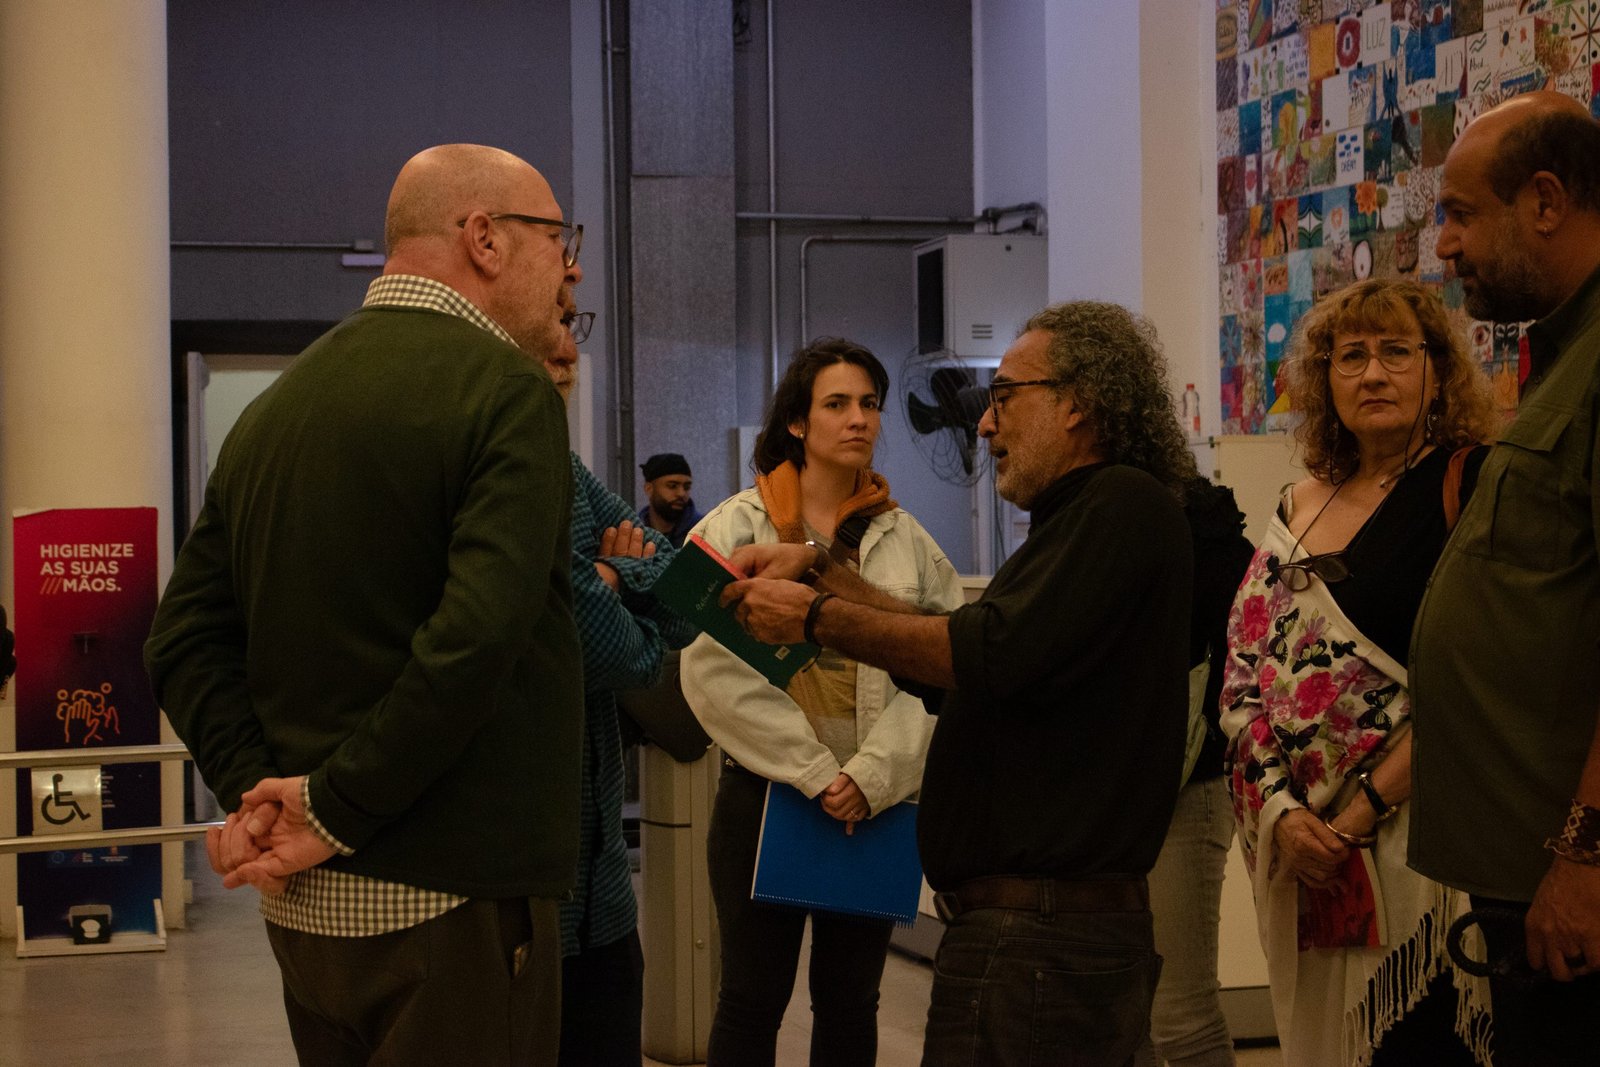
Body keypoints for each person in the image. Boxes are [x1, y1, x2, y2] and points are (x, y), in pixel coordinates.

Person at [144, 144, 584, 1067]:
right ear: (486, 239)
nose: (570, 265)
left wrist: (261, 792)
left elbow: (180, 638)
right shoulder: (506, 391)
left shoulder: (278, 406)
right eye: (557, 237)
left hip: (306, 918)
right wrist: (332, 807)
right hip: (450, 899)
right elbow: (475, 639)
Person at [726, 302, 1196, 1066]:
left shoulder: (1119, 506)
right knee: (755, 997)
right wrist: (819, 569)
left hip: (1040, 939)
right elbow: (978, 653)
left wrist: (817, 616)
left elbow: (978, 650)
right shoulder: (1079, 518)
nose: (983, 424)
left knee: (847, 1001)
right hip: (1020, 931)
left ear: (1077, 403)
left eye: (1004, 396)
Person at [1219, 278, 1499, 1067]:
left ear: (1435, 372)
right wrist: (1281, 810)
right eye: (1351, 356)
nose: (1373, 374)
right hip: (1306, 852)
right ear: (1324, 379)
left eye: (1396, 352)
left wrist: (1360, 810)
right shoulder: (1294, 506)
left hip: (1419, 851)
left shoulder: (1470, 487)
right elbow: (1242, 676)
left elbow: (1477, 684)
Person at [678, 337, 963, 1066]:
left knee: (850, 1002)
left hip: (874, 803)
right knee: (749, 999)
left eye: (869, 403)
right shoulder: (734, 528)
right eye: (837, 403)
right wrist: (812, 771)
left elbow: (944, 666)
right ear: (798, 423)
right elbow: (712, 670)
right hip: (769, 794)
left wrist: (872, 775)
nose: (859, 418)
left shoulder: (909, 543)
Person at [1411, 90, 1600, 1065]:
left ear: (1542, 200)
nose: (1441, 245)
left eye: (1456, 213)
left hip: (1574, 883)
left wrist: (1584, 853)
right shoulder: (1557, 354)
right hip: (1523, 871)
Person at [545, 298, 697, 1065]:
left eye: (574, 324)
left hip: (604, 900)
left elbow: (690, 604)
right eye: (550, 324)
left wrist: (610, 572)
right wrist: (618, 576)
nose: (566, 345)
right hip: (529, 905)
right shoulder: (510, 477)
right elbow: (618, 653)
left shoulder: (571, 475)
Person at [1137, 474, 1254, 1067]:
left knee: (1180, 1018)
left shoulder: (1198, 528)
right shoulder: (1079, 514)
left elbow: (1244, 657)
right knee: (1125, 1010)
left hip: (1188, 785)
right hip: (1115, 794)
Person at [638, 452, 701, 547]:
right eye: (672, 486)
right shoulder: (633, 533)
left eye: (686, 487)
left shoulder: (703, 532)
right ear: (649, 489)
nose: (681, 493)